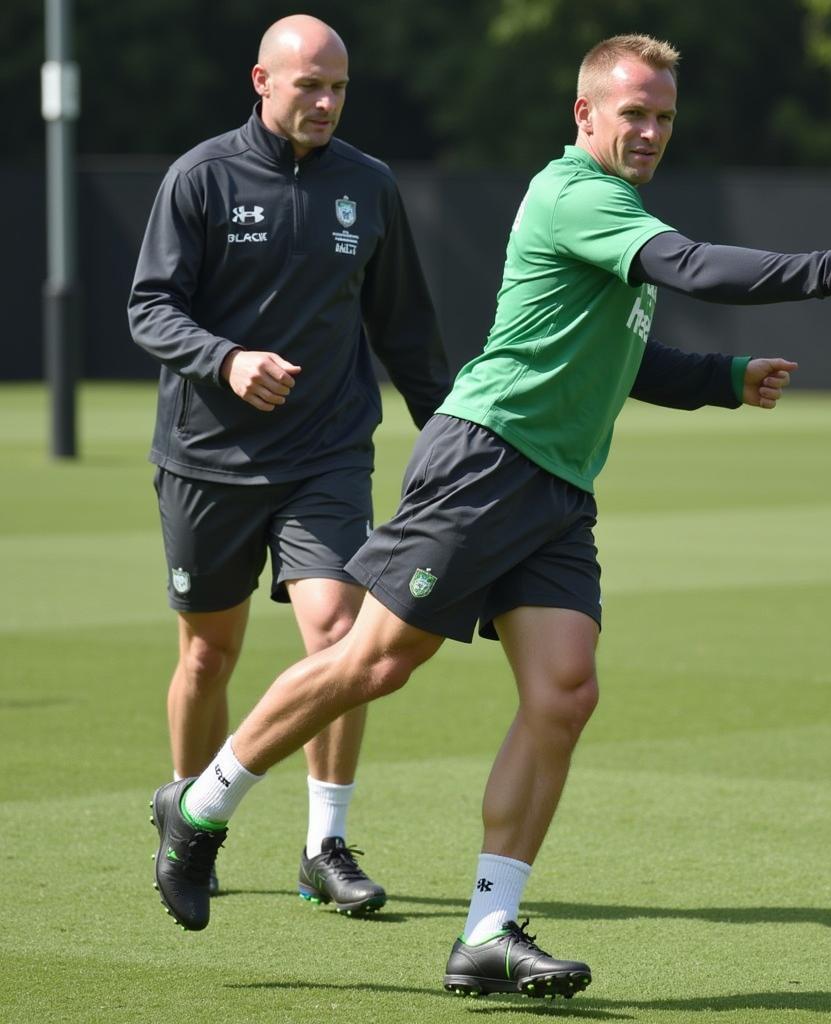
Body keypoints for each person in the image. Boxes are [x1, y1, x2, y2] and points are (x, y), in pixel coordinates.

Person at [147, 34, 831, 998]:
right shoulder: (576, 195)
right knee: (375, 660)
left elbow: (623, 356)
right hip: (486, 461)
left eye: (664, 117)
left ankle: (489, 930)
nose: (649, 131)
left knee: (565, 691)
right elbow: (690, 267)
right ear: (585, 116)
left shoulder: (619, 212)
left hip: (554, 489)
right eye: (632, 113)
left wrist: (724, 379)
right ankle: (202, 804)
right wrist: (828, 269)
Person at [129, 15, 449, 914]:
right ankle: (192, 824)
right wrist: (227, 359)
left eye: (338, 87)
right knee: (208, 653)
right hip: (207, 460)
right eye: (308, 84)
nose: (325, 102)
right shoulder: (200, 176)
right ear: (261, 81)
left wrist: (460, 441)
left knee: (340, 636)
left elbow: (409, 336)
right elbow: (150, 308)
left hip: (327, 455)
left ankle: (325, 844)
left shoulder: (369, 186)